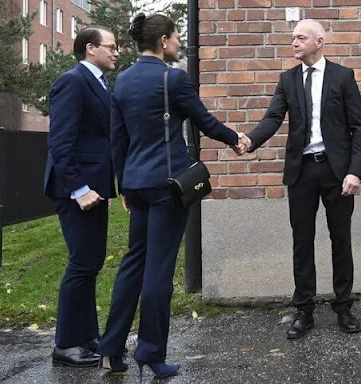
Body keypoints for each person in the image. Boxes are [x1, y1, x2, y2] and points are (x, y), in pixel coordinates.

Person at [96, 13, 247, 379]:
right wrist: (236, 139)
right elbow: (204, 121)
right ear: (163, 41)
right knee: (159, 272)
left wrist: (124, 185)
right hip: (168, 186)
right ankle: (150, 352)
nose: (180, 42)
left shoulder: (123, 80)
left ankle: (111, 349)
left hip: (138, 183)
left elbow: (118, 139)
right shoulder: (173, 78)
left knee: (133, 264)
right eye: (177, 36)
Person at [240, 19, 361, 339]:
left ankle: (344, 307)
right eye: (293, 38)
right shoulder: (288, 79)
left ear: (319, 41)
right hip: (301, 172)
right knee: (302, 241)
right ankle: (304, 310)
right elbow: (272, 117)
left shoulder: (343, 76)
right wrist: (251, 140)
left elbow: (359, 128)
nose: (294, 43)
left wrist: (355, 170)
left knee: (341, 239)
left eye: (300, 38)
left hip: (337, 172)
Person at [44, 26, 118, 368]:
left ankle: (87, 337)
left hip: (94, 189)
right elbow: (61, 141)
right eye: (111, 47)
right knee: (81, 263)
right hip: (76, 191)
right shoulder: (72, 82)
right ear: (91, 49)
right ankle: (66, 344)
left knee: (91, 262)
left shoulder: (98, 83)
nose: (116, 52)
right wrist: (78, 189)